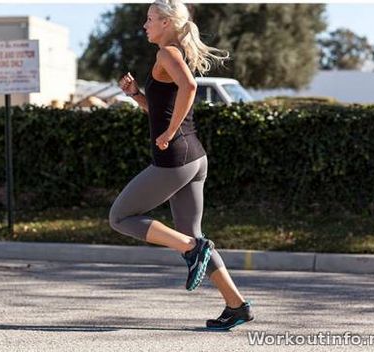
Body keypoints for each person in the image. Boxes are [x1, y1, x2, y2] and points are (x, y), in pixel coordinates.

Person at [110, 0, 254, 330]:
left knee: (120, 217)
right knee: (193, 232)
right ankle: (237, 306)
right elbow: (161, 108)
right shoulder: (173, 53)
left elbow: (190, 89)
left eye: (149, 19)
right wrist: (135, 94)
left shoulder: (167, 53)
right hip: (194, 158)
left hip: (175, 157)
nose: (144, 25)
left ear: (166, 23)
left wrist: (169, 134)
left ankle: (192, 249)